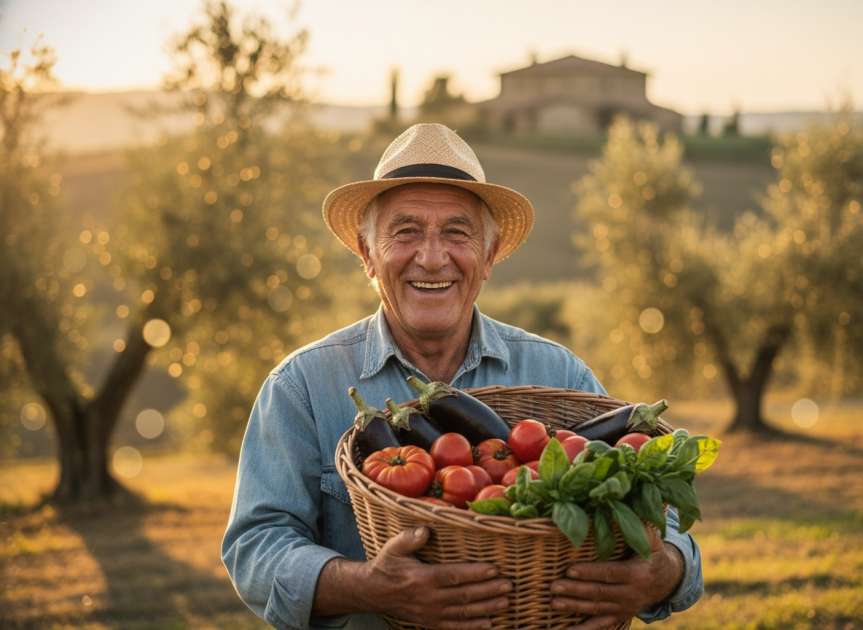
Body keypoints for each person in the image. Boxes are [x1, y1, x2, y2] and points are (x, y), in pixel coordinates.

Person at [222, 123, 703, 630]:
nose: (432, 257)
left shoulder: (560, 373)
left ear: (490, 256)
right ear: (367, 255)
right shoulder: (302, 385)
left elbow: (663, 528)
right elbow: (255, 548)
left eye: (457, 232)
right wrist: (369, 586)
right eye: (405, 232)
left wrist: (662, 572)